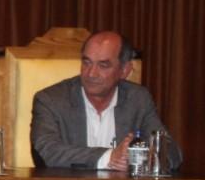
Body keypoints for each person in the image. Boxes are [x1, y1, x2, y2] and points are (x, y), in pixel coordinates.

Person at [30, 30, 182, 170]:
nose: (91, 73)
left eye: (103, 65)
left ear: (125, 70)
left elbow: (171, 153)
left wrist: (136, 156)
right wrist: (110, 156)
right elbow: (46, 152)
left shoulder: (138, 99)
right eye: (87, 62)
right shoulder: (51, 100)